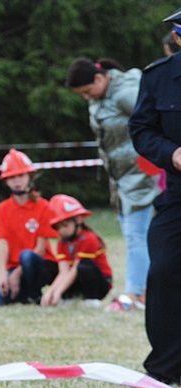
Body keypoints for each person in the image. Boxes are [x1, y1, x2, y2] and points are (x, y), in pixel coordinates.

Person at [65, 57, 160, 311]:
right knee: (139, 236)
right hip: (121, 181)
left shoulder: (126, 93)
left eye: (87, 91)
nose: (86, 98)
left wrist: (155, 158)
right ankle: (147, 291)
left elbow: (156, 118)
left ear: (100, 78)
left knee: (136, 236)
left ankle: (134, 294)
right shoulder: (100, 98)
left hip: (142, 176)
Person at [128, 7, 181, 386]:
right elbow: (141, 130)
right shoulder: (158, 77)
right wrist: (171, 153)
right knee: (163, 269)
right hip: (177, 194)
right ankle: (165, 367)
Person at [0, 149, 58, 306]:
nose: (17, 181)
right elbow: (2, 243)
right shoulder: (2, 209)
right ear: (6, 181)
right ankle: (23, 294)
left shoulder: (43, 206)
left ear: (30, 177)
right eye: (11, 177)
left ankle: (34, 294)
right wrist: (3, 274)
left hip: (41, 265)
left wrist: (17, 274)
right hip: (14, 267)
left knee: (27, 256)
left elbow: (40, 249)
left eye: (20, 175)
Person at [40, 195, 112, 307]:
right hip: (76, 276)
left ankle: (92, 299)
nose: (61, 231)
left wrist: (58, 292)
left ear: (78, 220)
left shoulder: (89, 238)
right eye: (57, 227)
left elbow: (75, 270)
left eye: (64, 225)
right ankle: (70, 297)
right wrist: (50, 293)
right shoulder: (61, 242)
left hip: (99, 283)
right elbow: (63, 271)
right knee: (48, 266)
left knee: (84, 266)